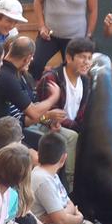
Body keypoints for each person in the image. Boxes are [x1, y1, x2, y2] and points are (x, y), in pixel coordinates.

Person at [35, 37, 93, 190]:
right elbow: (47, 114)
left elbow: (82, 114)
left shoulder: (86, 81)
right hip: (45, 125)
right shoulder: (52, 78)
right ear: (68, 58)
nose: (87, 62)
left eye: (89, 58)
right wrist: (77, 127)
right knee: (73, 136)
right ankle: (70, 185)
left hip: (72, 127)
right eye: (82, 57)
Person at [0, 36, 63, 151]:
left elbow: (28, 116)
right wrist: (53, 98)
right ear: (28, 58)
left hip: (10, 129)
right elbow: (33, 113)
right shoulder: (8, 77)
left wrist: (48, 120)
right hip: (4, 136)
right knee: (53, 148)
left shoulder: (7, 71)